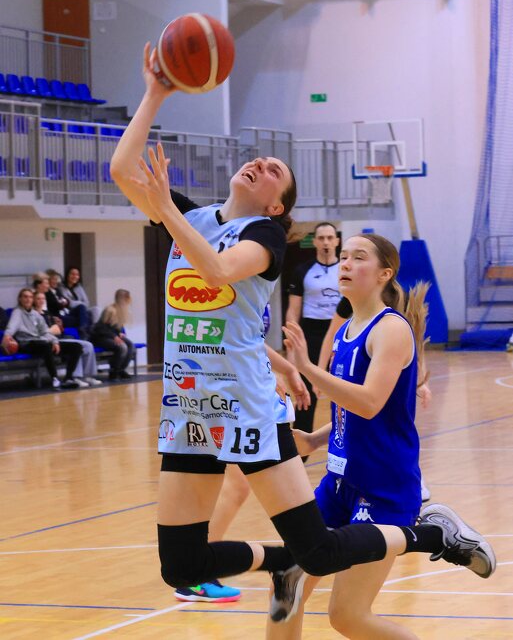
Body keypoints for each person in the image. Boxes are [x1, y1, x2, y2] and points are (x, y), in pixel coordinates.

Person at [109, 42, 495, 625]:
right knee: (181, 563)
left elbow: (216, 271)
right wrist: (156, 91)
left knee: (319, 550)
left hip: (245, 408)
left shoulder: (264, 236)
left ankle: (429, 533)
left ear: (277, 206)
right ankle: (279, 560)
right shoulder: (196, 218)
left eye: (274, 172)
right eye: (259, 160)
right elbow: (121, 170)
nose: (260, 165)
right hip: (187, 407)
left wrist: (165, 210)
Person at [266, 233, 434, 639]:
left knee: (346, 615)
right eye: (343, 256)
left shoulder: (390, 329)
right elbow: (351, 414)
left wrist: (307, 368)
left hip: (383, 488)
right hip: (339, 484)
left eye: (358, 257)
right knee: (286, 587)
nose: (345, 263)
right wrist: (315, 440)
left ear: (384, 274)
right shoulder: (346, 331)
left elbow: (370, 403)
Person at [174, 324, 311, 604]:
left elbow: (248, 339)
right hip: (218, 388)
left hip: (225, 387)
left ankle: (196, 569)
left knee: (229, 486)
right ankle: (197, 573)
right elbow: (229, 337)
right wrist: (262, 374)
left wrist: (286, 369)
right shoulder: (231, 298)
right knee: (231, 485)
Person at [316, 294, 433, 503]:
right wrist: (319, 370)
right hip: (346, 469)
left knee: (383, 417)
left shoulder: (392, 325)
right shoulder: (346, 324)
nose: (344, 270)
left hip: (384, 472)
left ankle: (408, 481)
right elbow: (330, 334)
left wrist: (420, 380)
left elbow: (414, 344)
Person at [285, 222, 341, 436]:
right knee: (307, 390)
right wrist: (291, 344)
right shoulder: (303, 271)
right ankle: (301, 442)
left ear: (337, 241)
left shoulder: (346, 270)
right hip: (312, 334)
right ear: (315, 242)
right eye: (322, 238)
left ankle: (346, 438)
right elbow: (293, 311)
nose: (326, 242)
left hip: (340, 333)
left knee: (344, 385)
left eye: (330, 237)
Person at [2, 288, 82, 389]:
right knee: (46, 345)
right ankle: (55, 379)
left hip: (41, 342)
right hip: (26, 343)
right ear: (20, 299)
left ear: (32, 300)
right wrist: (7, 336)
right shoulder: (17, 312)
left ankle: (68, 378)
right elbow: (11, 327)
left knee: (76, 347)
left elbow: (45, 332)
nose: (28, 299)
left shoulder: (36, 314)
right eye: (25, 297)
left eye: (30, 297)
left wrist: (55, 341)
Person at [32, 291, 102, 388]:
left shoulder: (48, 314)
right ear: (34, 300)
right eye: (38, 298)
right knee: (77, 347)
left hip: (59, 338)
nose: (41, 301)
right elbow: (39, 332)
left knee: (88, 345)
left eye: (43, 298)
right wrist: (51, 330)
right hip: (49, 341)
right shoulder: (33, 314)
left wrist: (57, 327)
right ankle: (75, 377)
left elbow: (58, 330)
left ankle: (88, 376)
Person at [90, 289, 135, 381]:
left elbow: (115, 327)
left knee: (130, 345)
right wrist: (114, 336)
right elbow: (100, 328)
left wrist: (119, 333)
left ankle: (121, 369)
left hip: (112, 335)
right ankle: (114, 371)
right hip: (101, 337)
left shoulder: (121, 310)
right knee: (122, 347)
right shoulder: (110, 310)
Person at [60, 267, 92, 339]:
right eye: (72, 274)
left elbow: (87, 303)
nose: (75, 276)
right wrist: (79, 303)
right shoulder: (61, 288)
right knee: (82, 308)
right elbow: (67, 303)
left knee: (95, 309)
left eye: (77, 275)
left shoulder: (79, 287)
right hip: (69, 312)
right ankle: (82, 330)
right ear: (67, 275)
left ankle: (93, 330)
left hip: (81, 312)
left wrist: (73, 303)